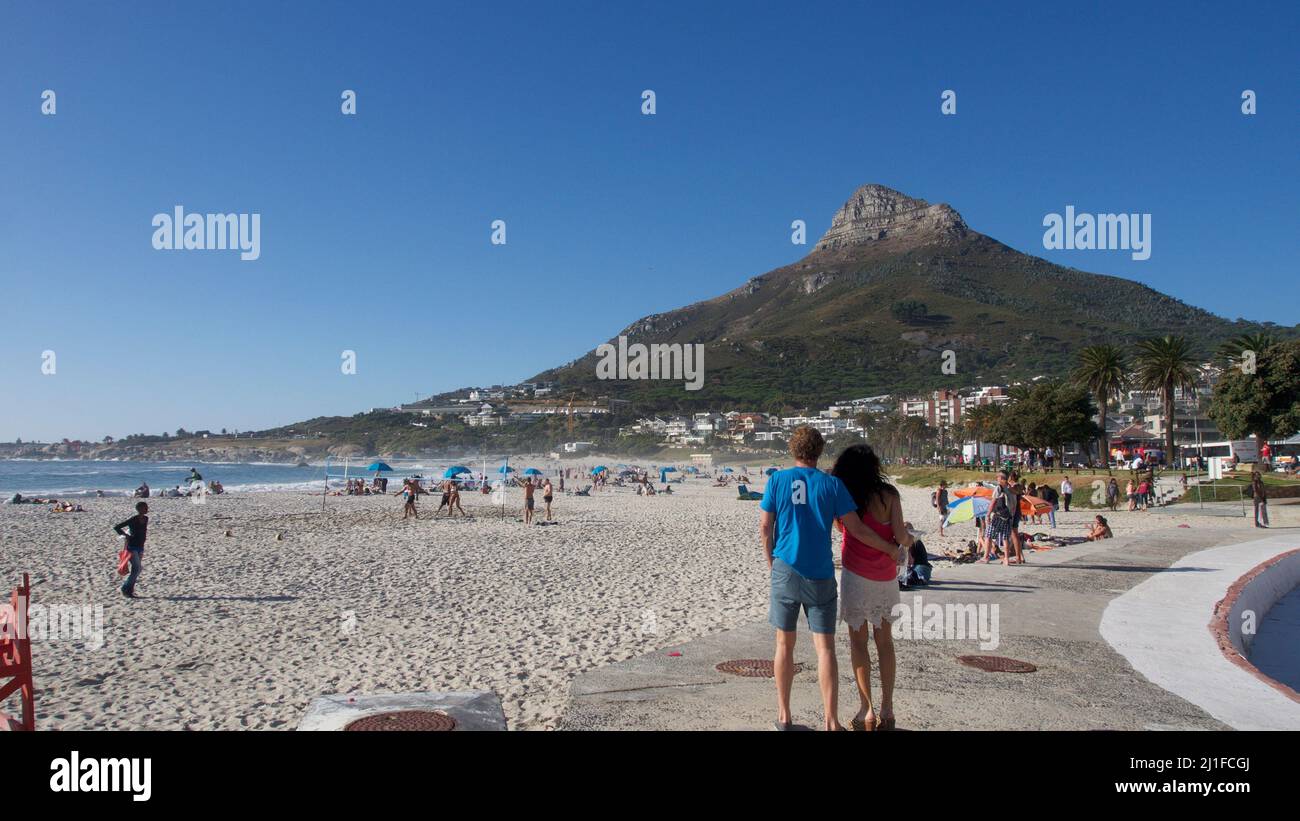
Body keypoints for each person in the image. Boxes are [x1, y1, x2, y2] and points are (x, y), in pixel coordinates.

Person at [760, 427, 901, 732]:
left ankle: (784, 717)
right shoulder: (832, 485)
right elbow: (857, 530)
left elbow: (765, 528)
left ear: (792, 449)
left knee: (784, 645)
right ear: (819, 451)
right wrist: (891, 548)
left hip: (785, 568)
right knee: (825, 649)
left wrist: (772, 561)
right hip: (821, 573)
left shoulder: (776, 480)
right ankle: (831, 720)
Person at [830, 444, 913, 732]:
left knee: (858, 643)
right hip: (885, 578)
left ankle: (866, 709)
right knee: (885, 643)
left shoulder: (844, 496)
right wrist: (909, 541)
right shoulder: (890, 495)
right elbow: (901, 535)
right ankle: (887, 709)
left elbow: (843, 530)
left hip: (855, 575)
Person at [113, 501, 150, 599]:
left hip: (140, 547)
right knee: (137, 568)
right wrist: (126, 535)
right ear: (140, 509)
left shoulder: (146, 519)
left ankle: (130, 590)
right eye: (145, 507)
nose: (147, 509)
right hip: (132, 547)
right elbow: (117, 527)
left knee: (136, 570)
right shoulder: (133, 519)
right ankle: (125, 588)